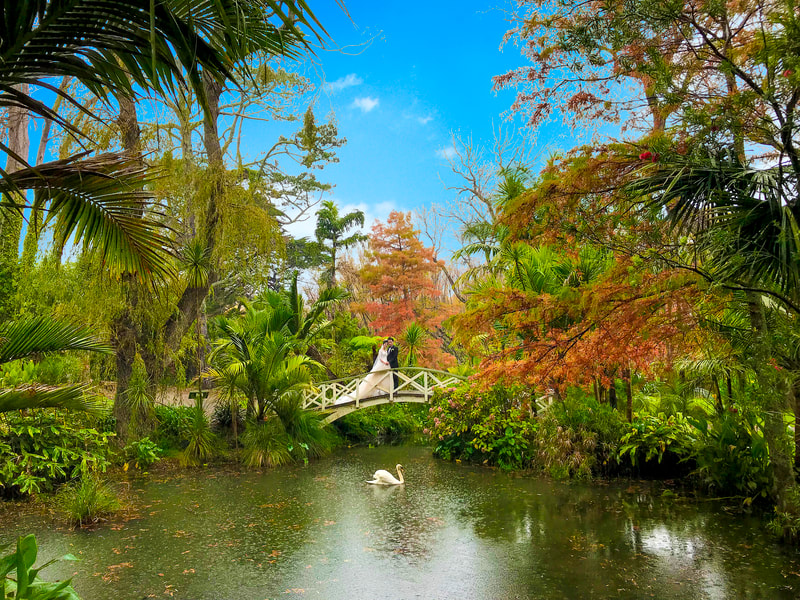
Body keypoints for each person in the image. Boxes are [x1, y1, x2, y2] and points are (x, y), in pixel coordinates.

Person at [334, 339, 392, 405]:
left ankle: (383, 390)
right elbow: (380, 358)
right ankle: (367, 391)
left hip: (386, 364)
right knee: (374, 377)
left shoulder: (386, 350)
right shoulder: (381, 350)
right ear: (383, 344)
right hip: (382, 364)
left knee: (384, 377)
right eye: (385, 344)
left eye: (386, 344)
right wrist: (384, 362)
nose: (386, 345)